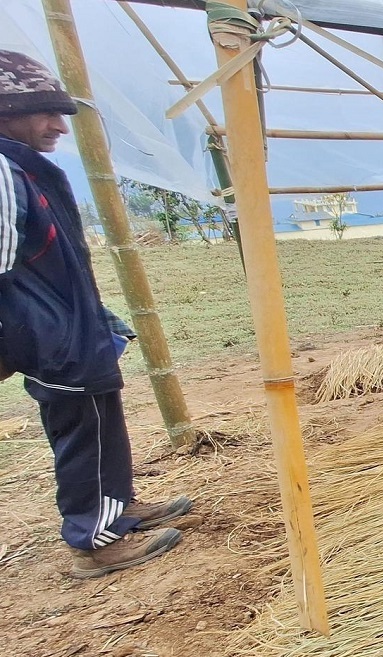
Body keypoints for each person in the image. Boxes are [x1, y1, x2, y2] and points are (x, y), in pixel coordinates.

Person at [0, 50, 192, 578]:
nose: (59, 125)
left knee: (102, 417)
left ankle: (117, 509)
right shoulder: (2, 171)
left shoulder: (25, 168)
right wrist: (36, 336)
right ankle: (90, 539)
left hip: (70, 325)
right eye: (44, 111)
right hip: (48, 333)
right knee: (79, 431)